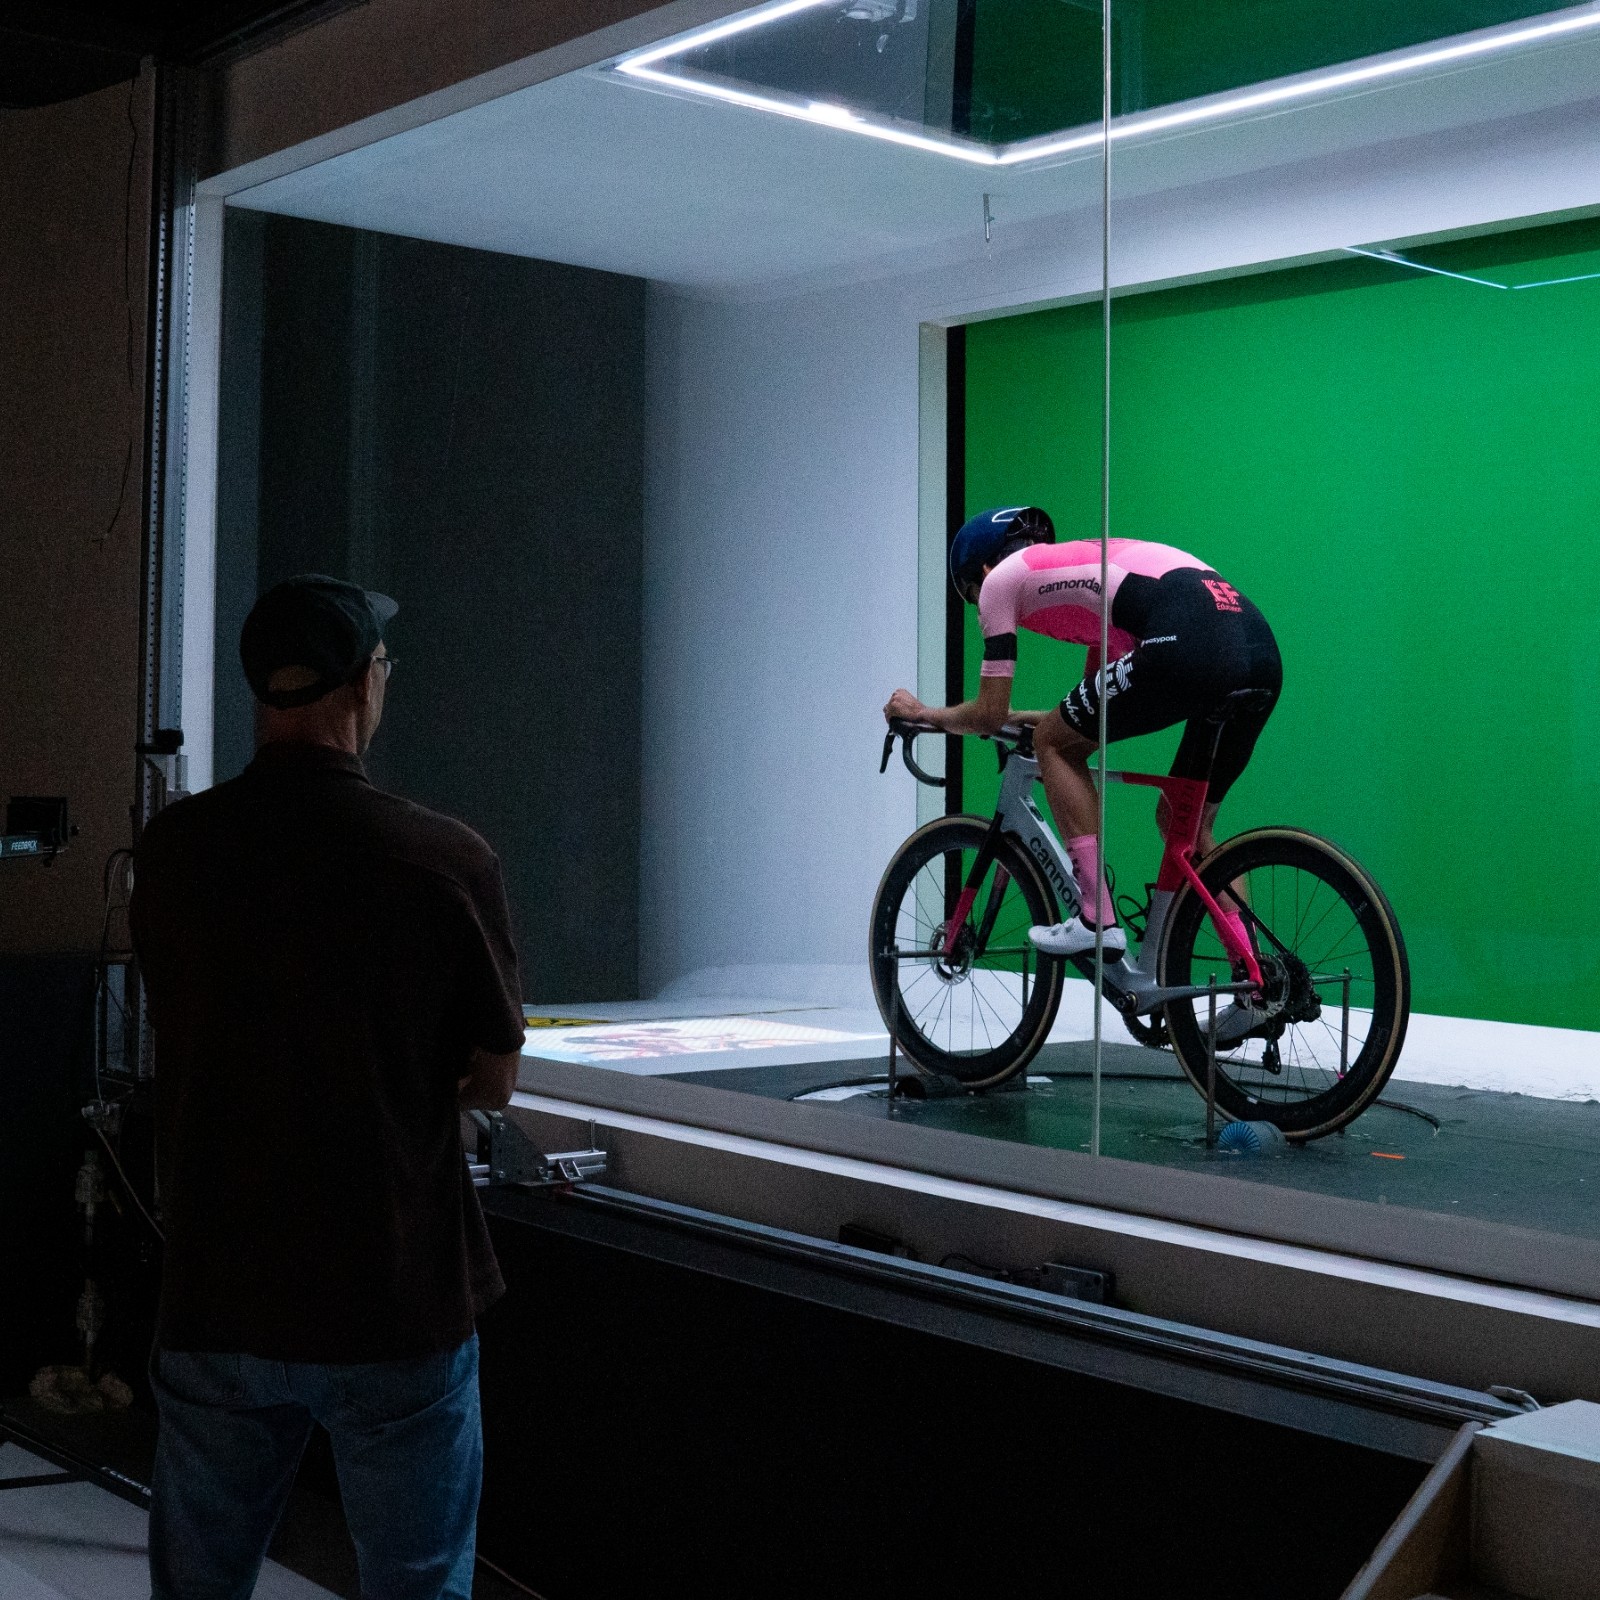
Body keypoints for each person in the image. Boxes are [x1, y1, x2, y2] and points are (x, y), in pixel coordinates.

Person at [129, 574, 526, 1600]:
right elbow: (492, 1081)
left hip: (218, 1290)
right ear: (363, 683)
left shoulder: (173, 854)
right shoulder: (446, 860)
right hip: (392, 1295)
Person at [883, 506, 1282, 961]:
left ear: (984, 570)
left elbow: (990, 715)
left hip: (1190, 639)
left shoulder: (998, 582)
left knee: (1053, 744)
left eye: (972, 598)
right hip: (1257, 649)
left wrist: (923, 714)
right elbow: (1091, 714)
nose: (982, 608)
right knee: (1182, 822)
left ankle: (1096, 921)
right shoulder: (1087, 578)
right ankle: (1257, 975)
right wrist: (1036, 721)